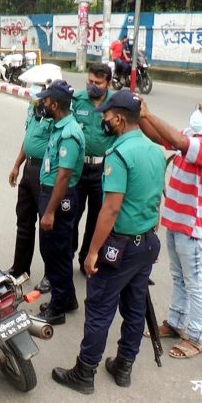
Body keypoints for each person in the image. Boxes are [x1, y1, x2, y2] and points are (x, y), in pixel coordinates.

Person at [52, 90, 164, 394]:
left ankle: (84, 372)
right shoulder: (154, 149)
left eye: (106, 114)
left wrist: (92, 252)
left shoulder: (119, 153)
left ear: (119, 117)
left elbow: (111, 209)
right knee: (135, 305)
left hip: (120, 245)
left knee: (100, 308)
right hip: (147, 241)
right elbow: (155, 200)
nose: (103, 118)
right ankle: (123, 366)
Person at [138, 95, 202, 358]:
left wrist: (149, 113)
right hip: (178, 220)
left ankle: (196, 336)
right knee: (179, 277)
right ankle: (176, 323)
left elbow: (178, 142)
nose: (198, 113)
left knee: (195, 282)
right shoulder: (195, 134)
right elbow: (161, 138)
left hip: (194, 227)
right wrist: (141, 116)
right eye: (199, 108)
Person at [33, 79, 85, 325]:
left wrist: (50, 211)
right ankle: (68, 298)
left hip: (58, 197)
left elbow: (64, 175)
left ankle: (57, 308)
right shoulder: (58, 126)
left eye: (45, 100)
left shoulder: (69, 133)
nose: (42, 103)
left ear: (54, 104)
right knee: (54, 251)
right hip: (51, 194)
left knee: (56, 253)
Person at [7, 81, 53, 290]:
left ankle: (50, 274)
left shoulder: (54, 113)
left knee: (46, 227)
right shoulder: (32, 108)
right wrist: (17, 164)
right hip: (29, 169)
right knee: (23, 221)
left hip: (46, 172)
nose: (33, 90)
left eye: (38, 87)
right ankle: (20, 269)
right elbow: (28, 140)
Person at [71, 64, 116, 275]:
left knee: (96, 219)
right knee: (70, 215)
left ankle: (86, 259)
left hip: (102, 170)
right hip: (79, 169)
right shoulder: (77, 99)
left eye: (97, 83)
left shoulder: (116, 104)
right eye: (90, 81)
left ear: (108, 82)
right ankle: (66, 257)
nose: (92, 86)